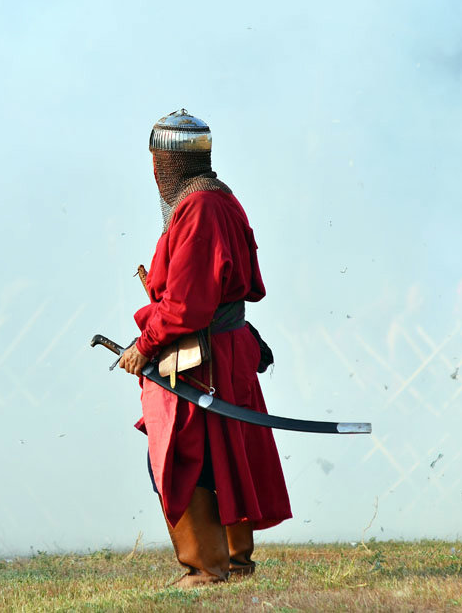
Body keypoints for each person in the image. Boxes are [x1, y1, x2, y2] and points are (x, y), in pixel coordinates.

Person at [118, 109, 291, 587]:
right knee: (223, 455)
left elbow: (188, 305)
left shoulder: (199, 209)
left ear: (161, 165)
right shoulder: (220, 198)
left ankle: (206, 568)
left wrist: (144, 343)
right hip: (219, 348)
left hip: (203, 355)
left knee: (181, 455)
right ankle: (233, 561)